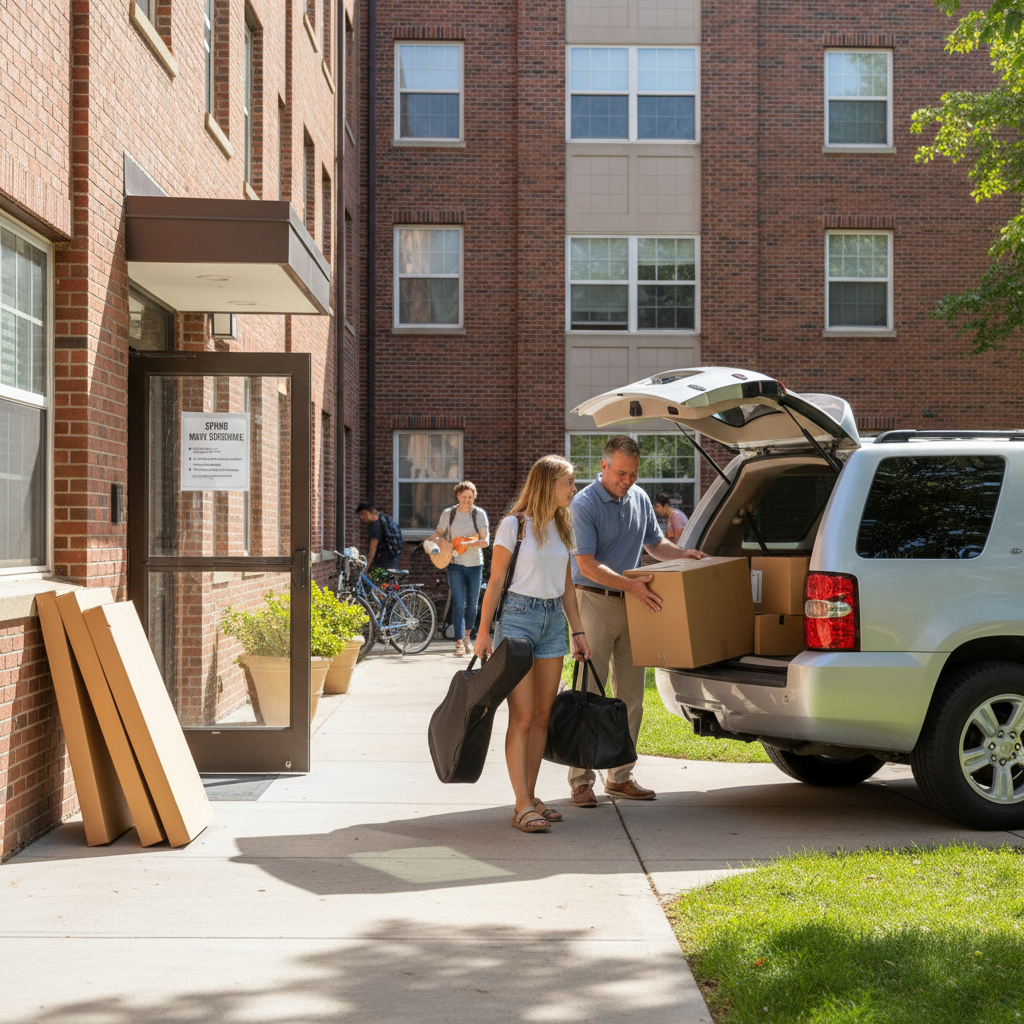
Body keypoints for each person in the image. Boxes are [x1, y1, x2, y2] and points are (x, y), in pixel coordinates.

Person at [568, 436, 707, 807]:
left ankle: (620, 775)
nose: (627, 480)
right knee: (588, 695)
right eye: (620, 473)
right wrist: (631, 585)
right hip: (594, 601)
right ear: (603, 465)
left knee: (631, 697)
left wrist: (683, 555)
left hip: (633, 604)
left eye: (633, 473)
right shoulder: (583, 505)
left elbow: (655, 545)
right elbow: (585, 565)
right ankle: (581, 780)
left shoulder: (640, 498)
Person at [475, 455, 591, 833]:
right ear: (547, 484)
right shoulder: (514, 526)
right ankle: (521, 804)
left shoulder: (563, 523)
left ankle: (531, 795)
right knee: (523, 716)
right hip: (518, 621)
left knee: (543, 716)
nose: (574, 489)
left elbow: (568, 585)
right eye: (569, 483)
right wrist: (483, 631)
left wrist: (578, 631)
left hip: (552, 623)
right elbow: (494, 583)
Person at [426, 481, 490, 657]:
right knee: (458, 603)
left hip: (475, 565)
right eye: (464, 496)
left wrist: (467, 543)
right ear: (458, 496)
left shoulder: (479, 514)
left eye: (470, 497)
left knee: (472, 605)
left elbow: (485, 541)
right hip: (455, 564)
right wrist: (431, 540)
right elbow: (439, 532)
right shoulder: (449, 513)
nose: (467, 500)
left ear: (473, 497)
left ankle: (468, 635)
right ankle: (459, 642)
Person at [354, 502, 403, 571]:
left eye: (362, 514)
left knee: (382, 580)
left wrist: (366, 568)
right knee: (391, 580)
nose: (361, 518)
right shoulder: (384, 519)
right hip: (394, 558)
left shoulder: (374, 526)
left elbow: (372, 550)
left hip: (384, 562)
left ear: (366, 512)